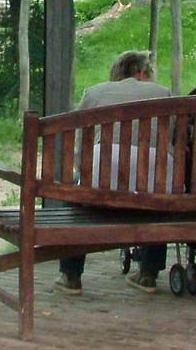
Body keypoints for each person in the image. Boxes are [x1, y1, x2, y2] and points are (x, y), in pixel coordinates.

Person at [55, 50, 173, 296]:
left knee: (75, 201)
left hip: (101, 185)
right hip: (152, 190)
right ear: (141, 73)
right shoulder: (163, 94)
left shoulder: (94, 93)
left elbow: (80, 146)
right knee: (161, 191)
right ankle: (148, 274)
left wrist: (83, 174)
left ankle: (71, 275)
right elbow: (172, 141)